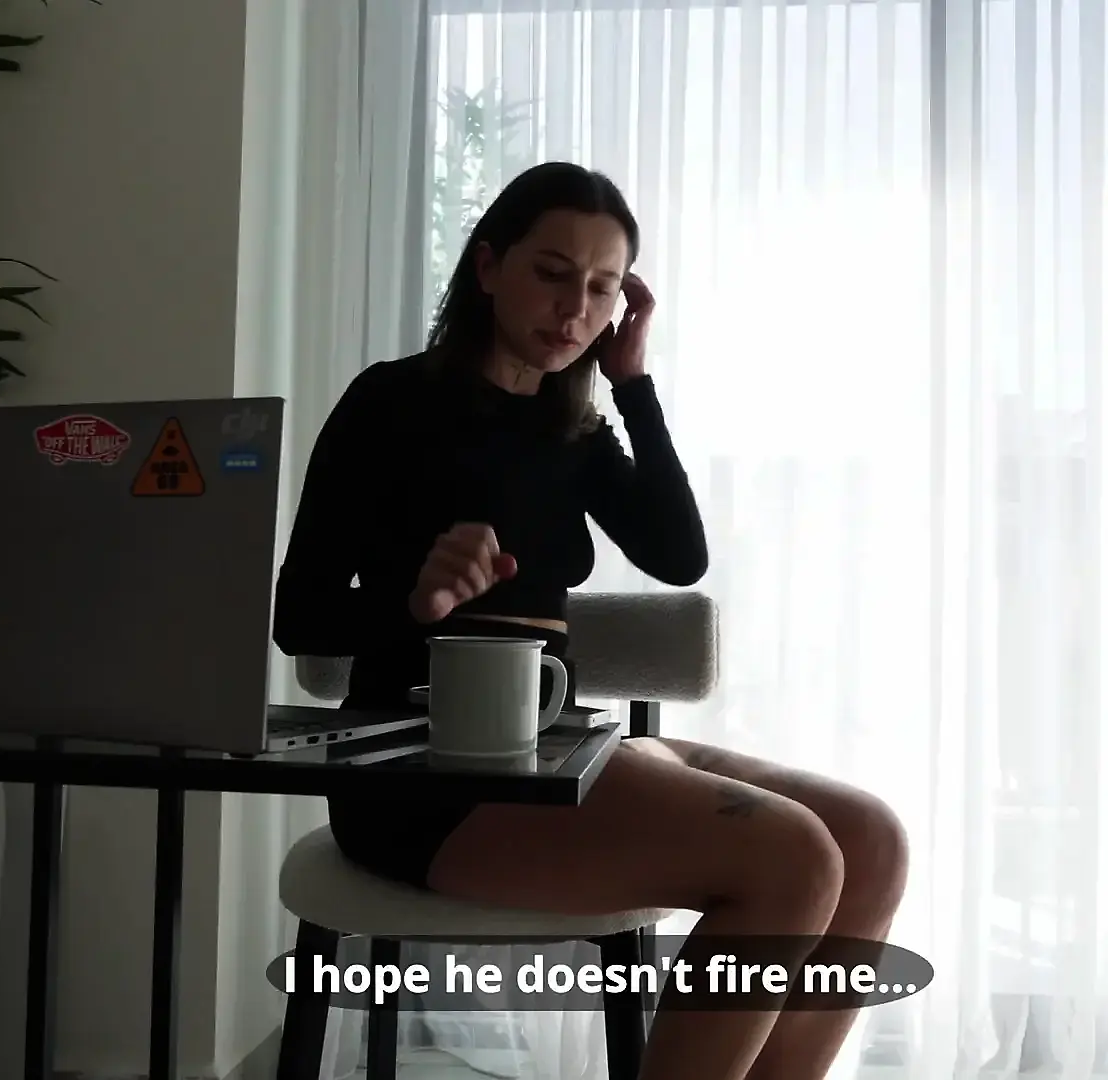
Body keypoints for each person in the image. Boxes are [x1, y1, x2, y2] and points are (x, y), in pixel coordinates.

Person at [272, 161, 909, 1080]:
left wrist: (632, 383)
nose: (575, 308)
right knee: (795, 858)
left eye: (602, 287)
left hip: (553, 746)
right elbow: (299, 617)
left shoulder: (570, 426)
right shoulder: (390, 403)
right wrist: (411, 602)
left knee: (870, 838)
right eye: (552, 272)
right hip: (420, 779)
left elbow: (678, 554)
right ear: (487, 266)